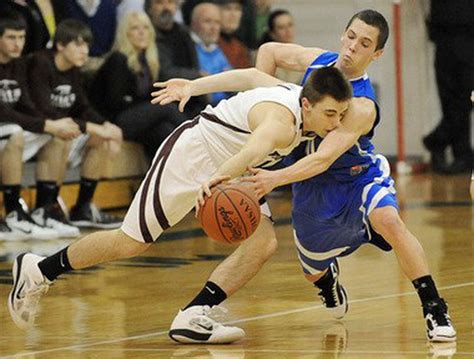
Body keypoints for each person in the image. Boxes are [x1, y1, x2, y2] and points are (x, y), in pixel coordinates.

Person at [154, 9, 456, 343]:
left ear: (377, 54)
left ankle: (434, 308)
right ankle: (327, 280)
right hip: (313, 188)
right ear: (343, 34)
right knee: (312, 270)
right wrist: (263, 104)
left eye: (365, 43)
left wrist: (273, 178)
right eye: (352, 36)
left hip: (354, 176)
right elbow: (268, 53)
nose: (354, 47)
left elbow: (323, 159)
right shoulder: (319, 61)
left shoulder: (362, 106)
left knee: (391, 221)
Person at [8, 66, 352, 342]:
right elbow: (253, 151)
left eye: (341, 115)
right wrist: (216, 180)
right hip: (194, 153)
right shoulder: (281, 124)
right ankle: (38, 270)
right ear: (307, 105)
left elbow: (249, 76)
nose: (336, 123)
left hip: (228, 168)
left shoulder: (298, 97)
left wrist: (193, 87)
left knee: (262, 244)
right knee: (130, 243)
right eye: (331, 114)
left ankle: (194, 314)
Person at [27, 19, 123, 229]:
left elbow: (83, 107)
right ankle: (46, 208)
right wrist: (91, 127)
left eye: (87, 45)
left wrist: (107, 126)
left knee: (99, 138)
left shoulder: (72, 69)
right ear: (61, 45)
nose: (85, 51)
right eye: (78, 44)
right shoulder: (40, 63)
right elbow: (45, 110)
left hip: (58, 128)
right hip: (35, 128)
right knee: (63, 136)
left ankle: (82, 207)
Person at [0, 9, 80, 239]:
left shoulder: (19, 64)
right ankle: (13, 212)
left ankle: (44, 211)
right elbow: (4, 112)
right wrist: (46, 125)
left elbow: (26, 104)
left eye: (21, 37)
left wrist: (53, 124)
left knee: (58, 135)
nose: (18, 44)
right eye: (11, 38)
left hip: (8, 127)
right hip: (6, 126)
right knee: (15, 133)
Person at [90, 11, 186, 158]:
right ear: (126, 34)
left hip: (136, 118)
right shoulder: (118, 59)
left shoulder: (148, 62)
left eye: (146, 28)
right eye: (135, 28)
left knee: (164, 131)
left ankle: (156, 178)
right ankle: (199, 132)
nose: (142, 33)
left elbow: (146, 99)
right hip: (113, 121)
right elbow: (114, 103)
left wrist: (146, 111)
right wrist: (146, 109)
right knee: (166, 106)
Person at [422, 0, 473, 174]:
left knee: (465, 98)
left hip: (465, 34)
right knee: (450, 98)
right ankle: (462, 153)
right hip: (444, 33)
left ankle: (437, 141)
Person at [145, 0, 207, 116]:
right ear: (149, 8)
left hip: (190, 97)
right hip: (159, 99)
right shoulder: (146, 33)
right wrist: (198, 75)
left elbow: (194, 63)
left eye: (170, 2)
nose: (166, 7)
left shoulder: (183, 32)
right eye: (159, 3)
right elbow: (163, 73)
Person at [189, 2, 233, 105]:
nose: (214, 28)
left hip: (224, 105)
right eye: (207, 21)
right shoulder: (186, 48)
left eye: (217, 22)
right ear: (194, 24)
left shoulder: (219, 49)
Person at [217, 0, 252, 69]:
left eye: (237, 9)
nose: (233, 15)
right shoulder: (206, 44)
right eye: (228, 8)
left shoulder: (239, 46)